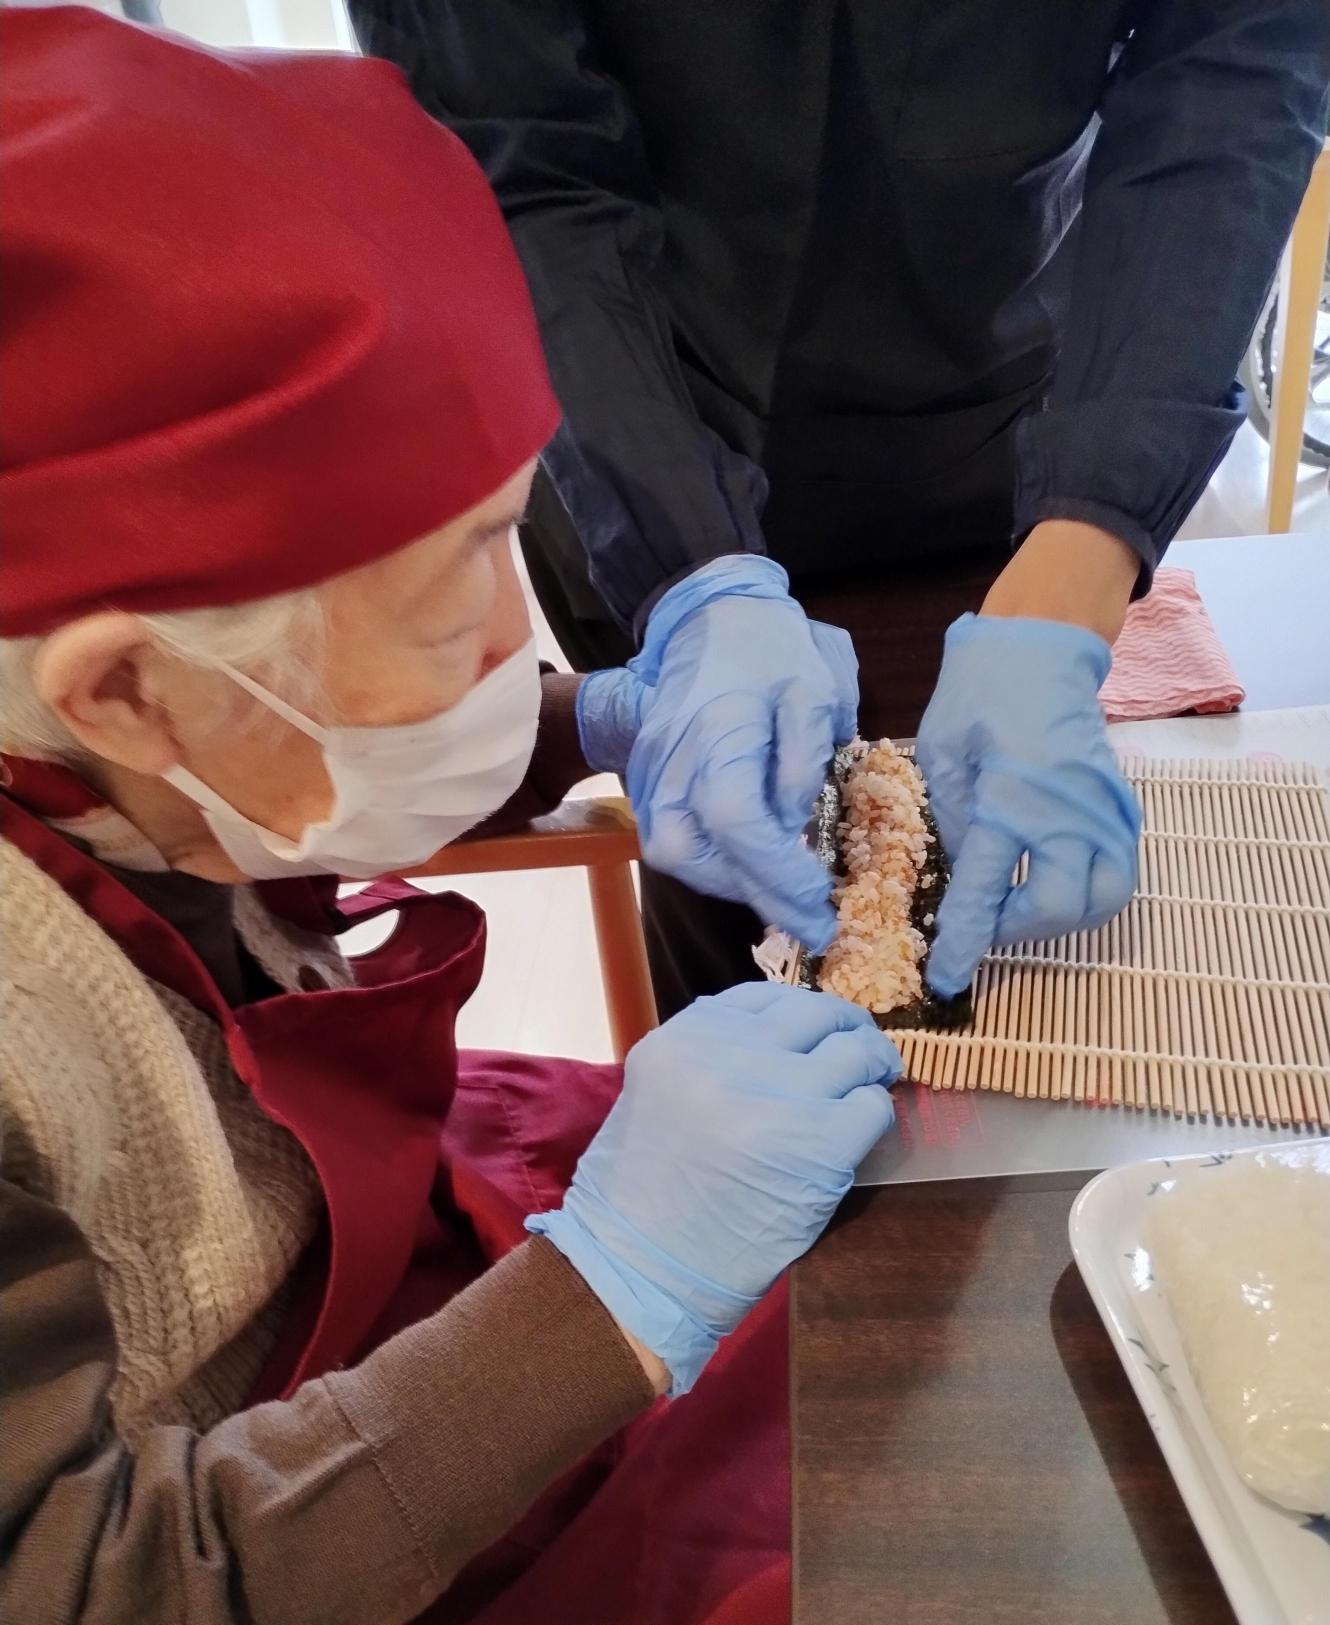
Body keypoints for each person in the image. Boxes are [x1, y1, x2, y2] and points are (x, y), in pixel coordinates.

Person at [0, 14, 900, 1625]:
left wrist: (587, 725)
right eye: (451, 601)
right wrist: (613, 1285)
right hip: (252, 1540)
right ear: (119, 688)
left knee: (898, 1287)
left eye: (511, 535)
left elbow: (262, 758)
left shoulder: (119, 723)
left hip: (374, 1234)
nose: (514, 634)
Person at [353, 0, 1330, 1018]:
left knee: (984, 942)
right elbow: (519, 166)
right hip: (640, 419)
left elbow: (1231, 72)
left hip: (989, 434)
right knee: (725, 872)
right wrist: (689, 571)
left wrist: (1092, 535)